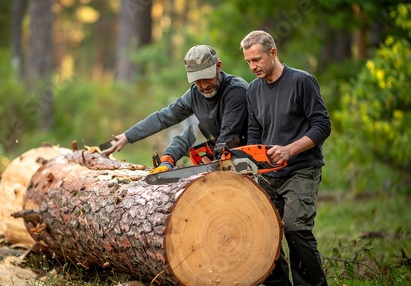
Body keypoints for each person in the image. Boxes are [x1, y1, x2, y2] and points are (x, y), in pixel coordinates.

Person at [240, 30, 331, 285]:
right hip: (269, 174)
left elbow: (322, 126)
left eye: (256, 59)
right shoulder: (253, 90)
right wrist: (248, 164)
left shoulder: (302, 81)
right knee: (263, 231)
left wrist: (289, 150)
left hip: (302, 168)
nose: (253, 66)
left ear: (273, 52)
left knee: (295, 228)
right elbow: (254, 135)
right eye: (248, 61)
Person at [103, 45, 249, 172]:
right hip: (222, 148)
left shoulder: (236, 90)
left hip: (248, 155)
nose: (204, 85)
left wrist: (216, 161)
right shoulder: (194, 95)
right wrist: (129, 135)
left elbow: (230, 134)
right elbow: (164, 117)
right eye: (198, 80)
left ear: (218, 66)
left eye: (207, 77)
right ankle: (167, 162)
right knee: (189, 133)